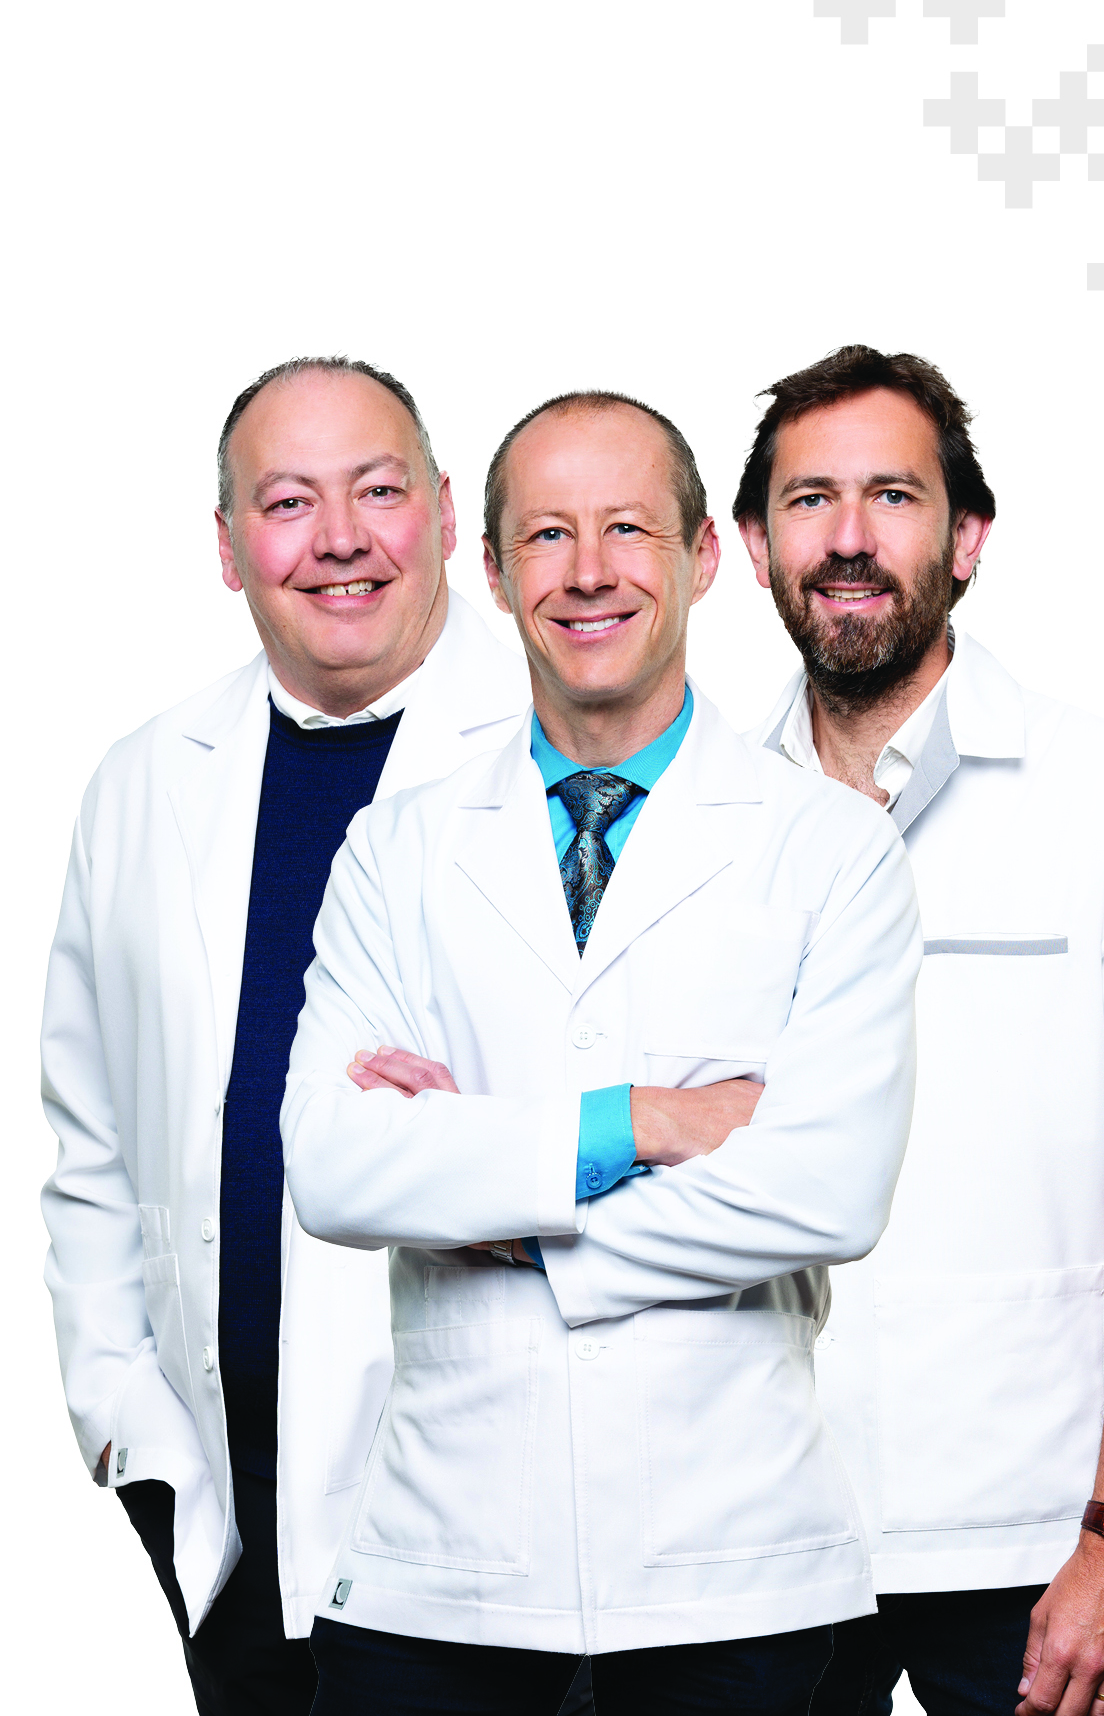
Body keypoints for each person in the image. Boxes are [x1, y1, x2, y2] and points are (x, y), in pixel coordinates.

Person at [277, 389, 922, 1715]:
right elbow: (334, 1165)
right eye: (547, 533)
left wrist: (495, 1201)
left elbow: (829, 1192)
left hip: (729, 1572)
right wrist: (643, 1120)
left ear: (702, 555)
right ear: (492, 567)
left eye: (628, 527)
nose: (587, 571)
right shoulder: (397, 848)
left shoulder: (833, 850)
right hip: (440, 1573)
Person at [735, 345, 1104, 1716]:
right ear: (753, 547)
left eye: (893, 497)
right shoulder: (704, 819)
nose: (849, 538)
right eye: (809, 500)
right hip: (752, 1539)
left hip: (1038, 1548)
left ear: (967, 538)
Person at [40, 357, 530, 1715]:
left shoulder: (571, 744)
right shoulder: (143, 781)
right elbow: (92, 1141)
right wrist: (130, 1438)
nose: (341, 540)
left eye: (378, 491)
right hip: (232, 1522)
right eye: (289, 502)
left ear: (446, 513)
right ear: (226, 546)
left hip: (506, 1531)